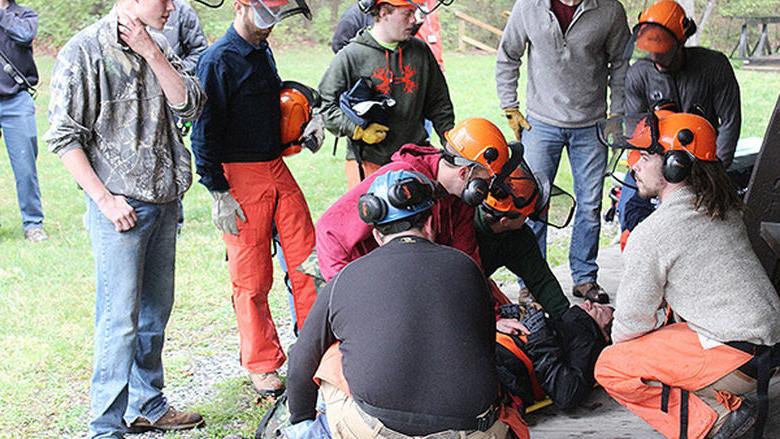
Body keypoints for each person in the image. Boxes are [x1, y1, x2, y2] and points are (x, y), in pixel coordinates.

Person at [45, 0, 206, 436]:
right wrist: (104, 200)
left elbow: (190, 106)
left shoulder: (158, 45)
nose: (173, 7)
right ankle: (105, 428)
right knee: (119, 322)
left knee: (155, 314)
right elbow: (63, 137)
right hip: (120, 211)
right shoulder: (84, 51)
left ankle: (148, 406)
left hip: (164, 198)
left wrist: (154, 53)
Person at [594, 111, 780, 439]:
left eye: (645, 155)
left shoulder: (654, 232)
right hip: (765, 348)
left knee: (612, 365)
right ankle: (723, 398)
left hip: (733, 356)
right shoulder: (723, 207)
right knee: (667, 330)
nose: (633, 163)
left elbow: (630, 327)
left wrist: (626, 334)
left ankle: (718, 419)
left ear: (675, 165)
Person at [287, 170, 509, 438]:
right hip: (474, 431)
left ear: (377, 235)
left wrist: (300, 422)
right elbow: (484, 347)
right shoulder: (467, 267)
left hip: (378, 432)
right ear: (430, 224)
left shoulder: (345, 278)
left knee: (332, 356)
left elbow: (301, 361)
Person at [316, 118, 572, 319]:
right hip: (370, 284)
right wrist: (349, 298)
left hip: (412, 284)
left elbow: (466, 264)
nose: (488, 188)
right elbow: (330, 230)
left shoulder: (460, 201)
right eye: (486, 180)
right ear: (465, 172)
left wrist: (492, 317)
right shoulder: (403, 179)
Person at [190, 0, 317, 397]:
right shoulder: (217, 60)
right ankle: (262, 363)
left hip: (276, 167)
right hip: (239, 175)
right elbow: (203, 131)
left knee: (309, 260)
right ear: (241, 6)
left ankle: (315, 347)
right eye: (265, 17)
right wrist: (217, 190)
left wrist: (301, 129)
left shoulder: (262, 51)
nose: (270, 27)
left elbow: (269, 104)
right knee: (251, 277)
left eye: (276, 18)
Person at [496, 0, 630, 303]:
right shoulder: (529, 7)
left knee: (590, 205)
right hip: (540, 124)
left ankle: (584, 277)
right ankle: (531, 281)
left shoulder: (609, 11)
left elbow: (621, 65)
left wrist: (617, 117)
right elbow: (507, 55)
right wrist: (509, 106)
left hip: (591, 124)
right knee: (529, 202)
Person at [618, 0, 741, 236]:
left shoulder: (714, 67)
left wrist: (716, 169)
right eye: (651, 47)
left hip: (702, 160)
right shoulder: (638, 75)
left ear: (681, 40)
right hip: (656, 159)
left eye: (663, 48)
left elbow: (730, 122)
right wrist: (643, 169)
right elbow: (635, 133)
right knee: (629, 212)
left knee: (713, 221)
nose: (656, 55)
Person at [319, 0, 454, 188]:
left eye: (414, 14)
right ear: (383, 13)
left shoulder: (421, 52)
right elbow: (324, 105)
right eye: (406, 14)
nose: (414, 21)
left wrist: (451, 141)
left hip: (416, 159)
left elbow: (439, 104)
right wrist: (357, 129)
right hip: (369, 163)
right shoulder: (351, 56)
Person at [496, 300, 613, 411]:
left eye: (599, 309)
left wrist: (539, 338)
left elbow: (566, 395)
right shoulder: (563, 325)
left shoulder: (588, 343)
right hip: (491, 350)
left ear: (606, 335)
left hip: (500, 366)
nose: (587, 302)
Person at [0, 0, 45, 241]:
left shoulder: (25, 15)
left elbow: (25, 36)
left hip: (16, 101)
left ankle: (33, 224)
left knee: (25, 167)